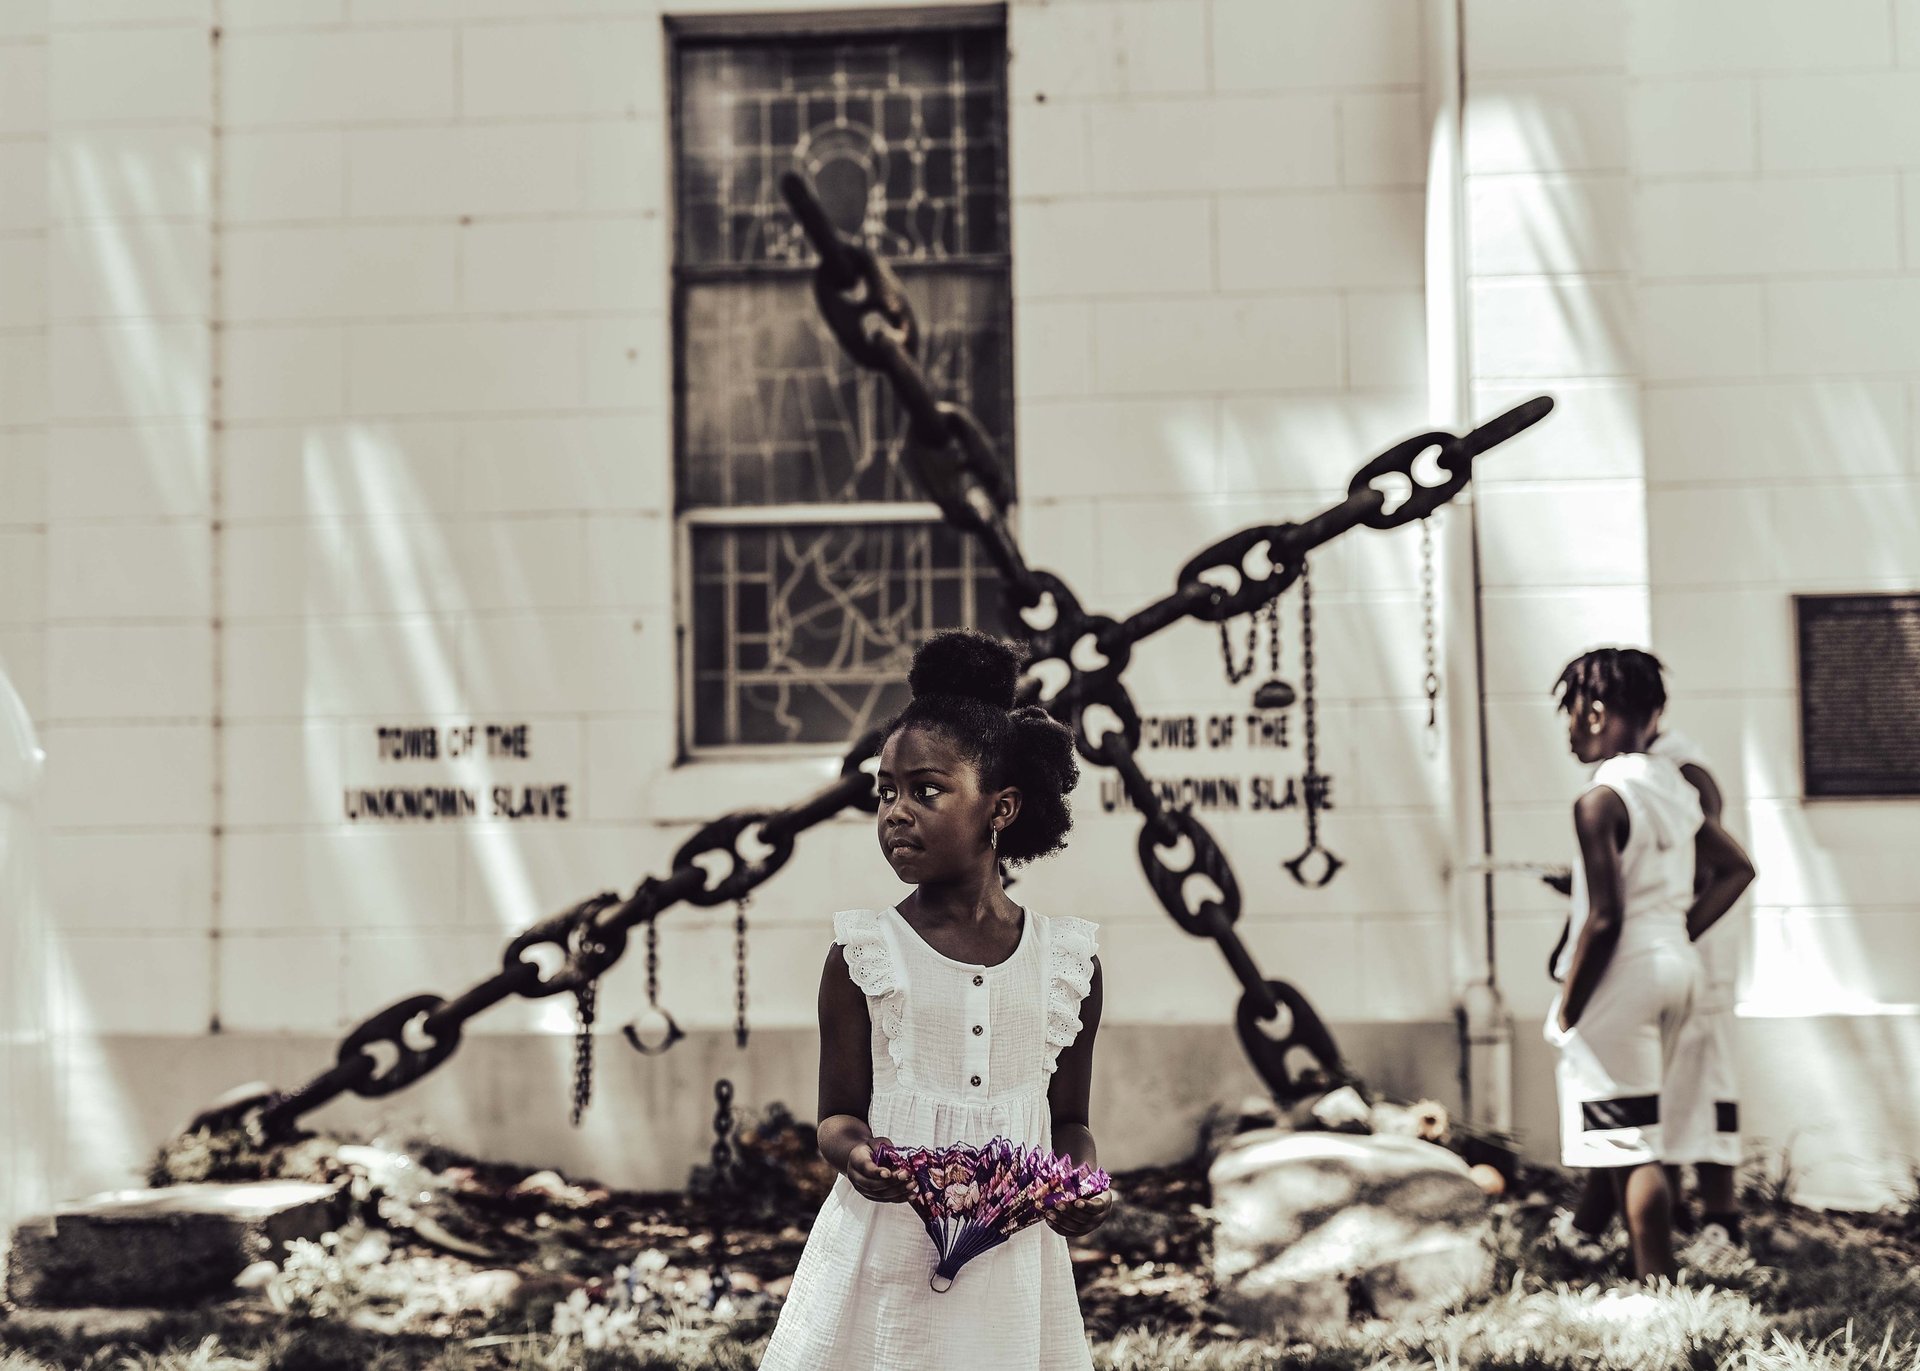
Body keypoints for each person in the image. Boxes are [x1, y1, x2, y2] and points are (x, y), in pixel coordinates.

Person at [759, 630, 1110, 1371]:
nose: (896, 812)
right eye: (885, 792)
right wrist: (858, 1155)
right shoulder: (864, 957)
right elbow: (836, 1115)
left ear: (1000, 808)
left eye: (926, 790)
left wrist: (1080, 1183)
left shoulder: (1066, 964)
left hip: (1011, 1265)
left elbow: (1069, 1120)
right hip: (884, 1257)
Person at [1542, 649, 1753, 1282]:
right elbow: (1737, 869)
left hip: (1626, 972)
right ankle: (1635, 1260)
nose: (1568, 729)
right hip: (1677, 966)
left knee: (1628, 1142)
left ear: (1595, 713)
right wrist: (1674, 934)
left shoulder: (1599, 800)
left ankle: (1654, 1284)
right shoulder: (1674, 787)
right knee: (1644, 1129)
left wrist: (1568, 1008)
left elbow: (1605, 918)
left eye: (1570, 713)